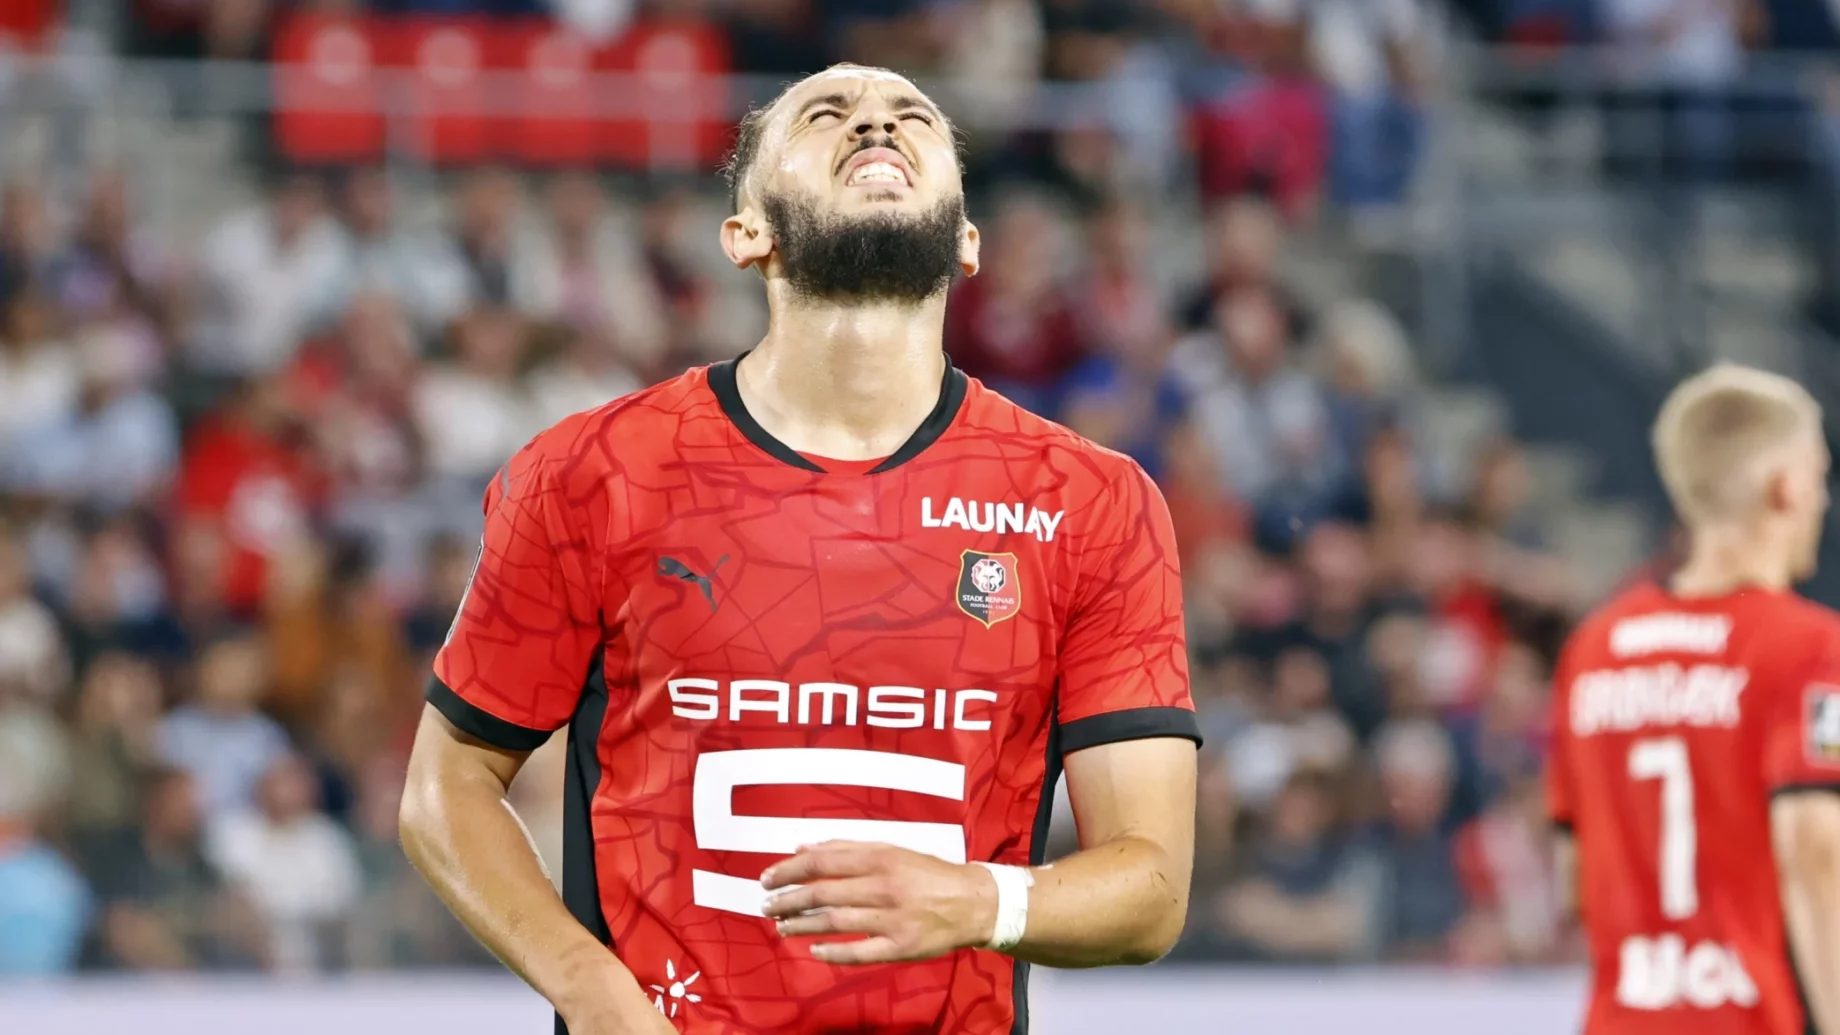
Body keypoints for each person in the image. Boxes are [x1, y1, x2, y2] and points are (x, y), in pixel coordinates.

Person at [399, 63, 1200, 1035]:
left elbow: (1152, 888)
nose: (876, 124)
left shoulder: (1093, 503)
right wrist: (591, 989)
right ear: (747, 232)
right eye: (828, 116)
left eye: (912, 118)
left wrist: (983, 903)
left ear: (966, 238)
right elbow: (445, 787)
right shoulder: (589, 472)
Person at [1547, 363, 1840, 1034]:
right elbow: (1816, 852)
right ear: (1786, 487)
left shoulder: (1594, 649)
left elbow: (1575, 876)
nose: (1823, 501)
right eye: (1821, 476)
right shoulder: (1810, 649)